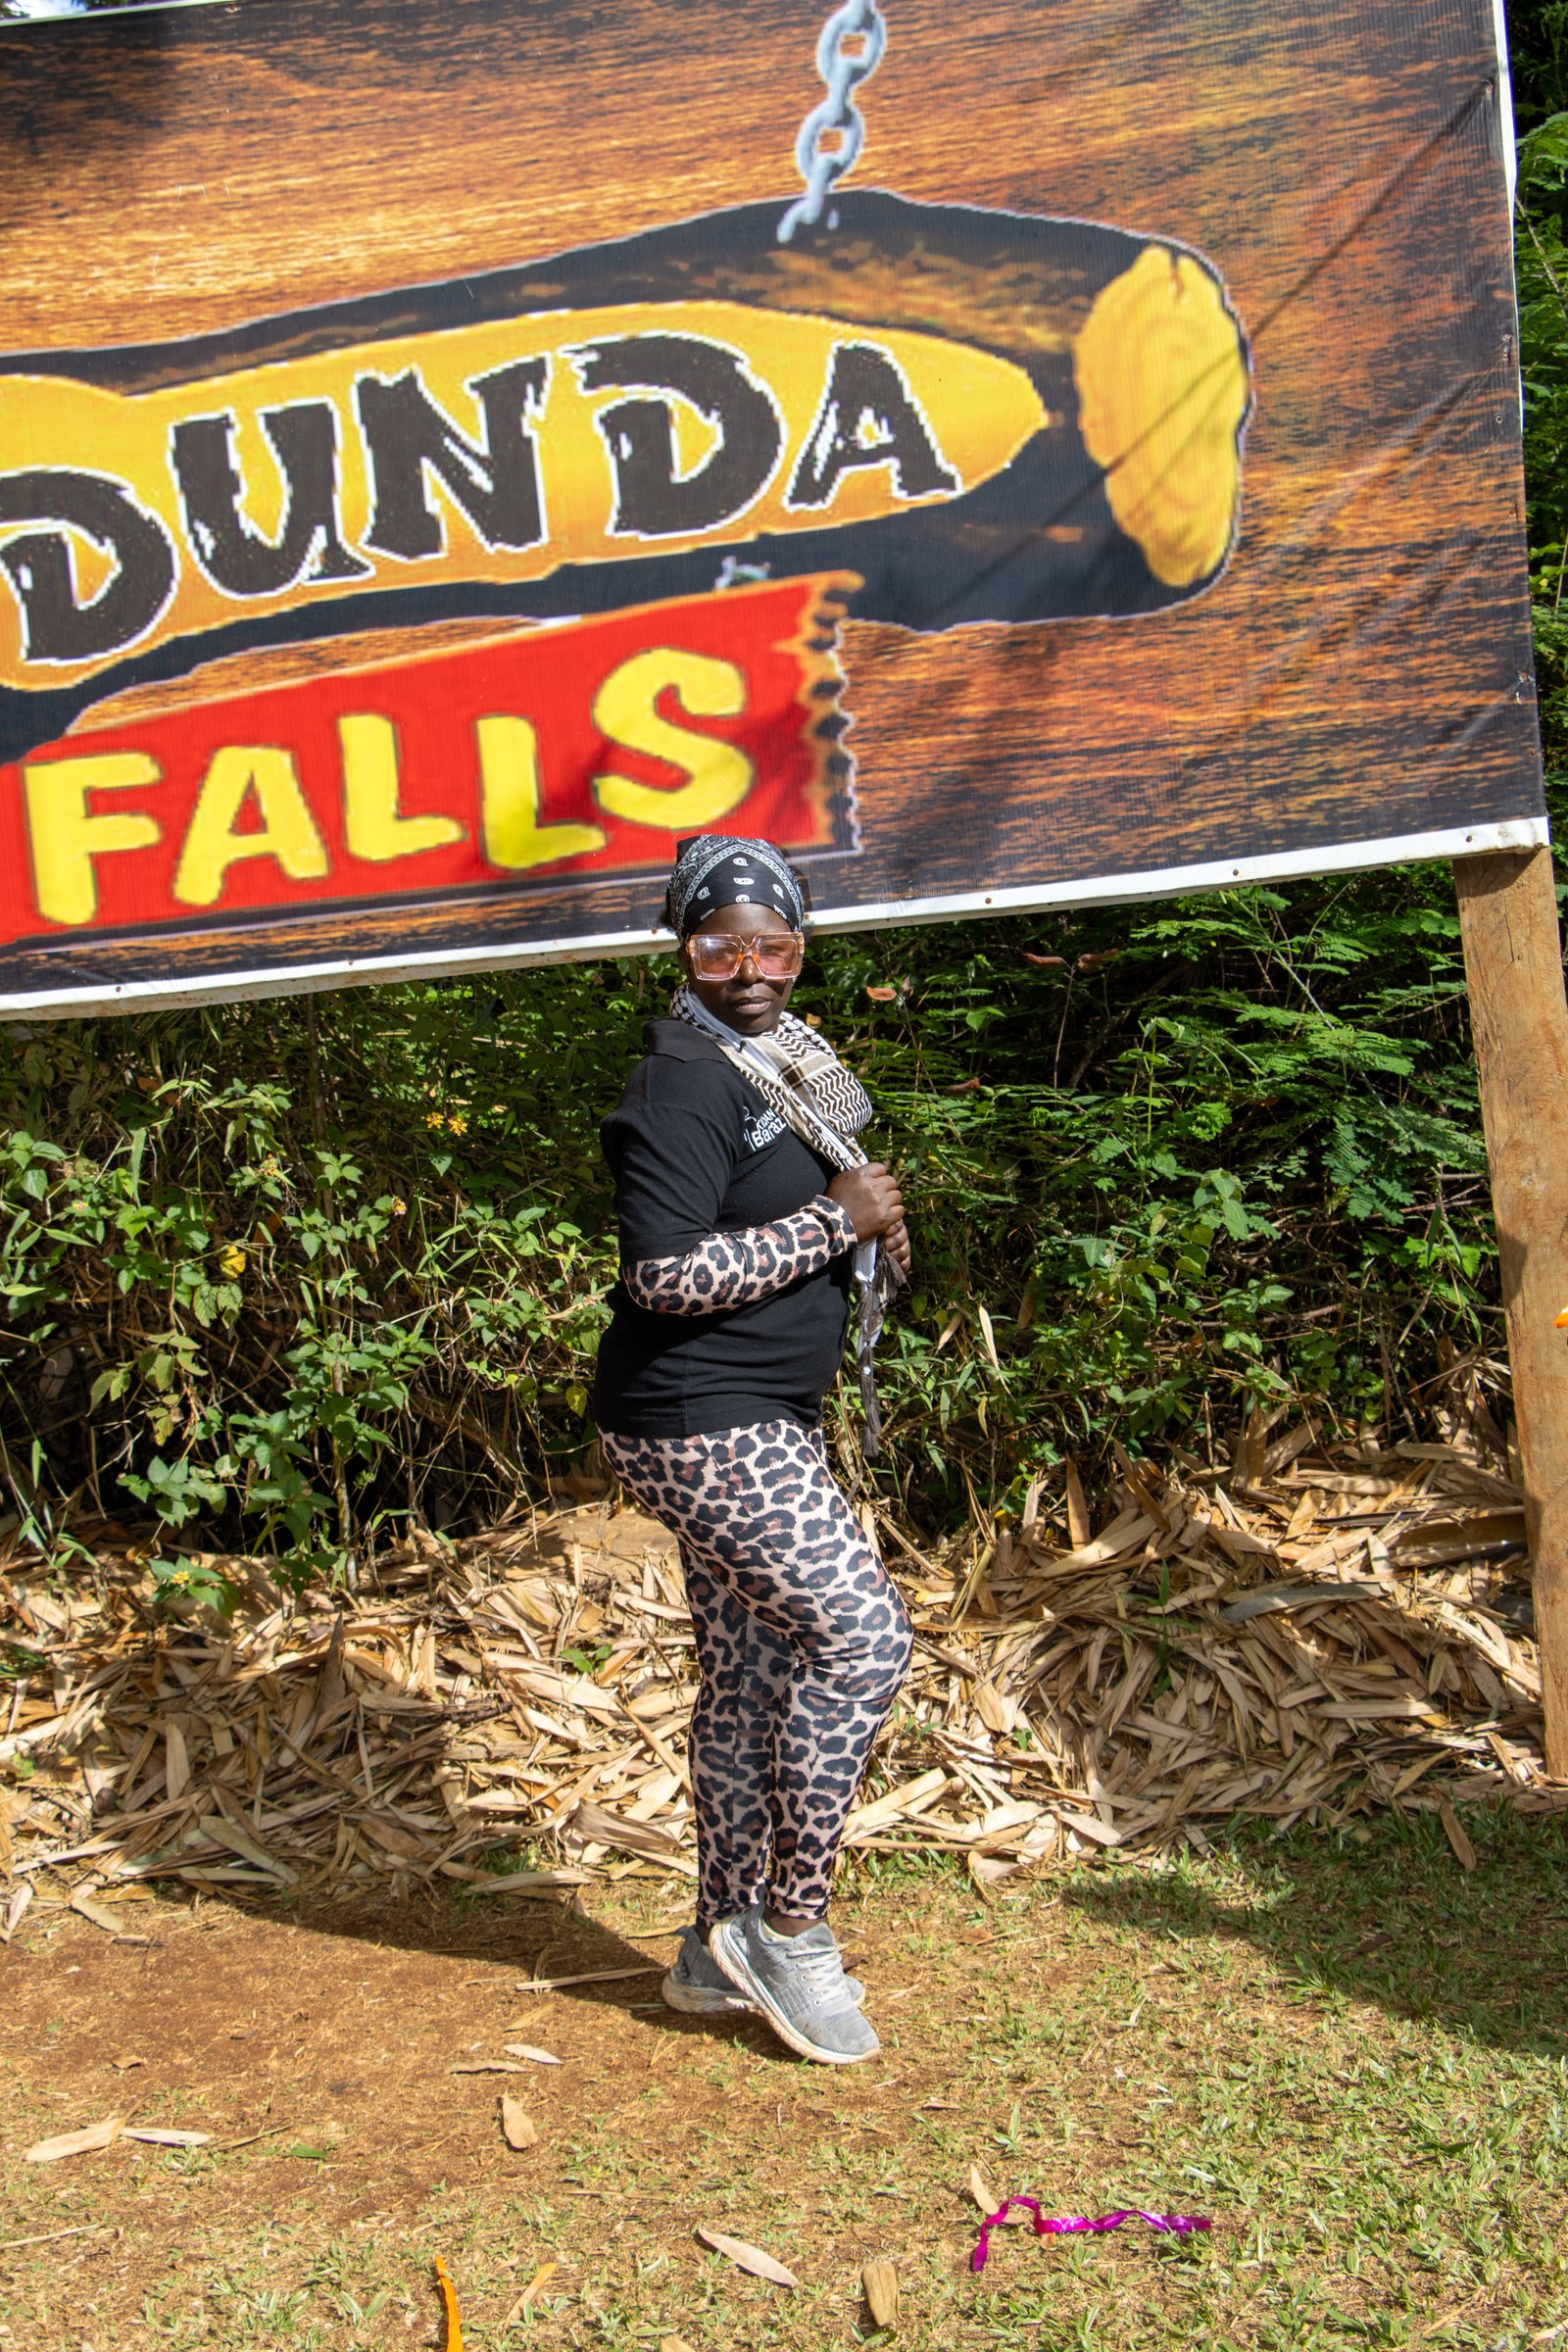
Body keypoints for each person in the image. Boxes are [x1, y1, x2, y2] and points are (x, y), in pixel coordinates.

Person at [592, 834, 913, 2066]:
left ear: (799, 947)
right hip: (699, 1416)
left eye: (774, 946)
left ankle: (710, 1943)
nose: (751, 971)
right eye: (719, 949)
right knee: (861, 1639)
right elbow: (664, 1274)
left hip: (745, 1411)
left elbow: (787, 1207)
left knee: (750, 1678)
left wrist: (862, 1235)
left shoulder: (777, 1064)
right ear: (683, 952)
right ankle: (788, 1929)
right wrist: (832, 1219)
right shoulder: (683, 1082)